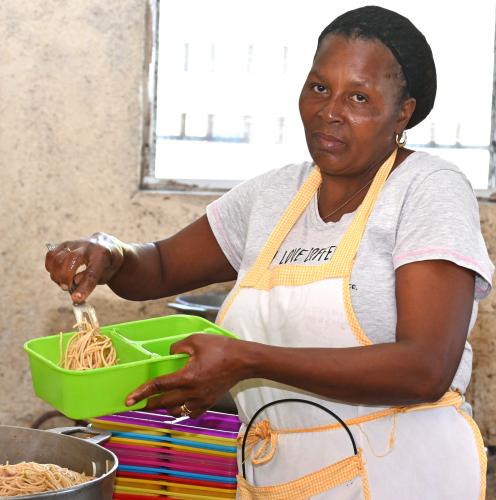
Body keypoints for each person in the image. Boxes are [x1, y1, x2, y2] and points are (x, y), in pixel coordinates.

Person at [45, 6, 494, 499]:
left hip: (400, 475)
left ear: (402, 112)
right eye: (319, 87)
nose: (330, 111)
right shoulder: (275, 196)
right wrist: (109, 253)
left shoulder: (428, 189)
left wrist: (248, 359)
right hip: (278, 476)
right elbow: (159, 267)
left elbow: (425, 368)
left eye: (359, 97)